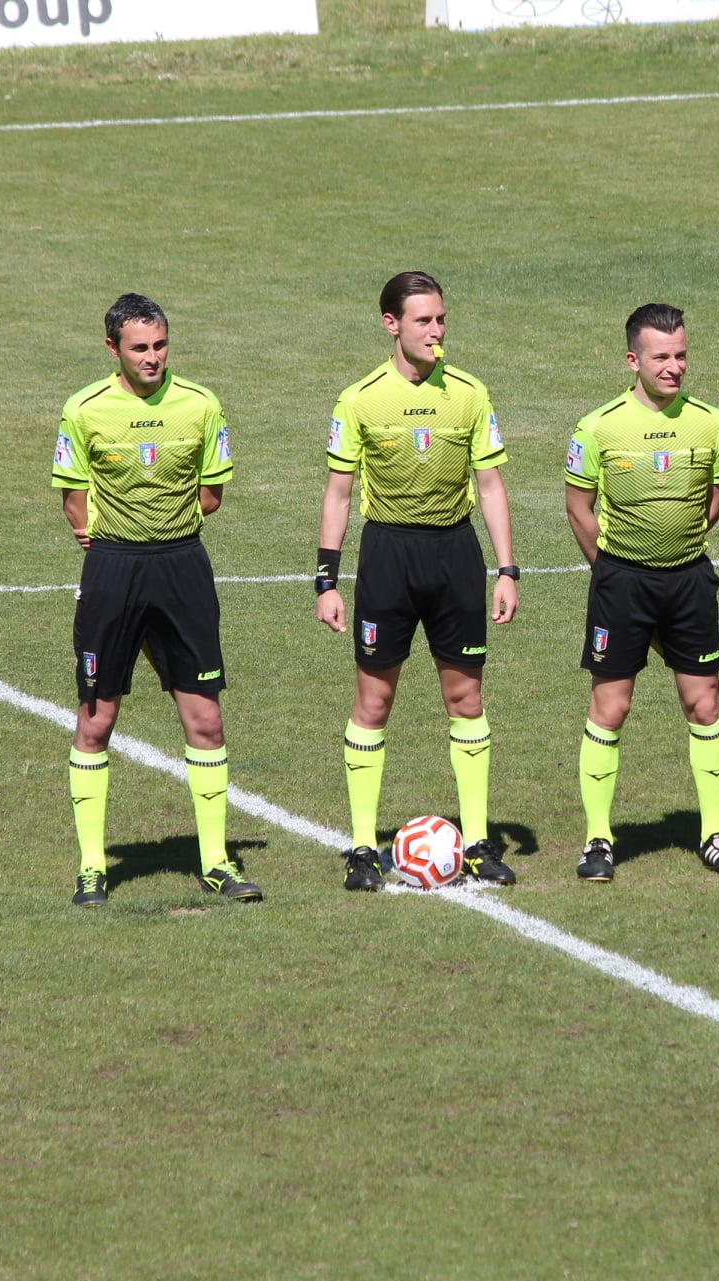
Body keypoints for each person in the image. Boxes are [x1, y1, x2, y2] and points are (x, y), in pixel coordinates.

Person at [51, 293, 258, 906]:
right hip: (113, 571)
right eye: (139, 348)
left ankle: (217, 861)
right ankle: (93, 866)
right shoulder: (84, 409)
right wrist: (116, 548)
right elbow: (73, 502)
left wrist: (162, 532)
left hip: (182, 570)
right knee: (97, 719)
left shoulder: (201, 404)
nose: (152, 357)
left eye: (160, 345)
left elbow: (213, 493)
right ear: (112, 348)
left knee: (206, 718)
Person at [316, 271, 520, 891]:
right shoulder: (359, 399)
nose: (437, 331)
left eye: (441, 319)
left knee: (467, 701)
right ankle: (359, 847)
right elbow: (339, 494)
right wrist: (326, 579)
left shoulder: (470, 393)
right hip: (388, 557)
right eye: (424, 321)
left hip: (455, 555)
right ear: (392, 325)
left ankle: (478, 842)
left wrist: (507, 569)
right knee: (373, 703)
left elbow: (489, 486)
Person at [566, 303, 719, 883]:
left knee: (704, 704)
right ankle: (598, 840)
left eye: (681, 355)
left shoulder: (712, 423)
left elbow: (712, 503)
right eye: (661, 357)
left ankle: (715, 834)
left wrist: (675, 550)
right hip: (621, 583)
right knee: (610, 708)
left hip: (690, 581)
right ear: (633, 360)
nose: (674, 367)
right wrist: (614, 569)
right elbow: (578, 508)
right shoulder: (597, 427)